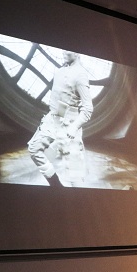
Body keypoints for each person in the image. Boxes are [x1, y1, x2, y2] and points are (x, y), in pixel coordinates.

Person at [28, 51, 93, 187]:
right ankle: (57, 187)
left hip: (70, 125)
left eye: (69, 50)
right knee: (34, 149)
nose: (64, 52)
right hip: (55, 119)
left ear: (77, 52)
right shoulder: (60, 71)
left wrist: (74, 127)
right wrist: (56, 120)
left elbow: (88, 108)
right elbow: (62, 99)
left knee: (75, 175)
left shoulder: (80, 75)